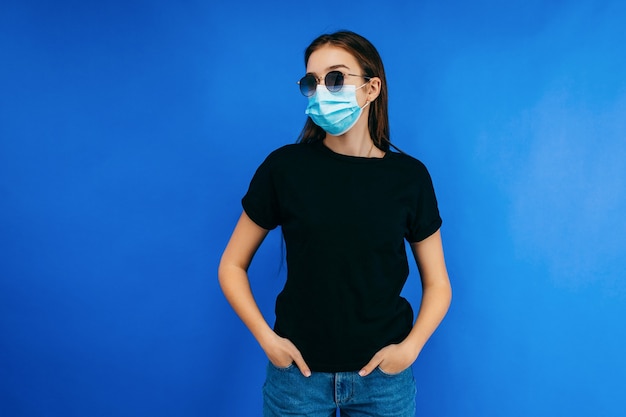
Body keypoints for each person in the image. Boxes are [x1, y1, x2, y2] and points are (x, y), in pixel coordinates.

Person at [218, 30, 452, 417]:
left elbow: (438, 283)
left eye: (337, 77)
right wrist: (267, 339)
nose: (323, 89)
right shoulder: (284, 169)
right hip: (297, 381)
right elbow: (231, 265)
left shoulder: (409, 178)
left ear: (372, 88)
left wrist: (409, 349)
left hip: (383, 382)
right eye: (313, 81)